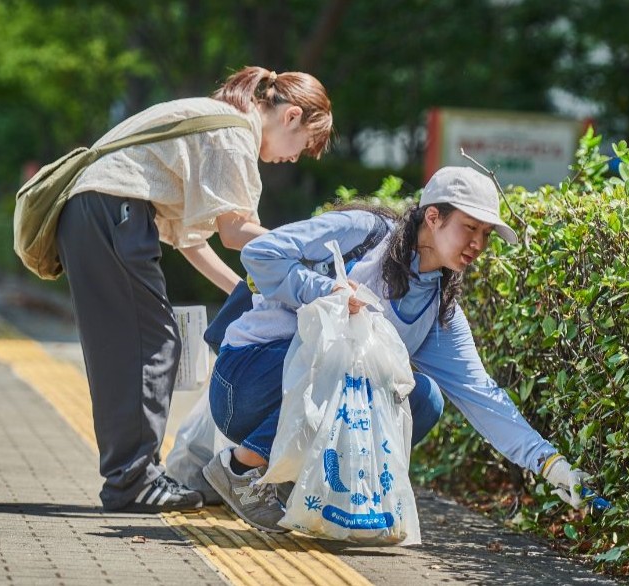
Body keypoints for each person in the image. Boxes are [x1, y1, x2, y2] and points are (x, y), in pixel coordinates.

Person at [201, 166, 592, 533]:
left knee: (424, 399)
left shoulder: (438, 309)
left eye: (487, 234)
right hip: (244, 383)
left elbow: (483, 397)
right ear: (433, 217)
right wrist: (329, 292)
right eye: (470, 227)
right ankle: (241, 470)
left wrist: (552, 465)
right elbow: (260, 253)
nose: (478, 244)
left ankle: (303, 483)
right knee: (352, 366)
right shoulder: (365, 231)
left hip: (300, 392)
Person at [55, 66, 333, 513]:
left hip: (97, 212)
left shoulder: (222, 121)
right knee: (152, 345)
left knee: (135, 347)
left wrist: (241, 291)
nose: (295, 157)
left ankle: (131, 478)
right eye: (304, 145)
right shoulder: (233, 134)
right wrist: (307, 254)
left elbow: (192, 239)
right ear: (292, 116)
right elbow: (235, 232)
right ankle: (133, 482)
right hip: (112, 211)